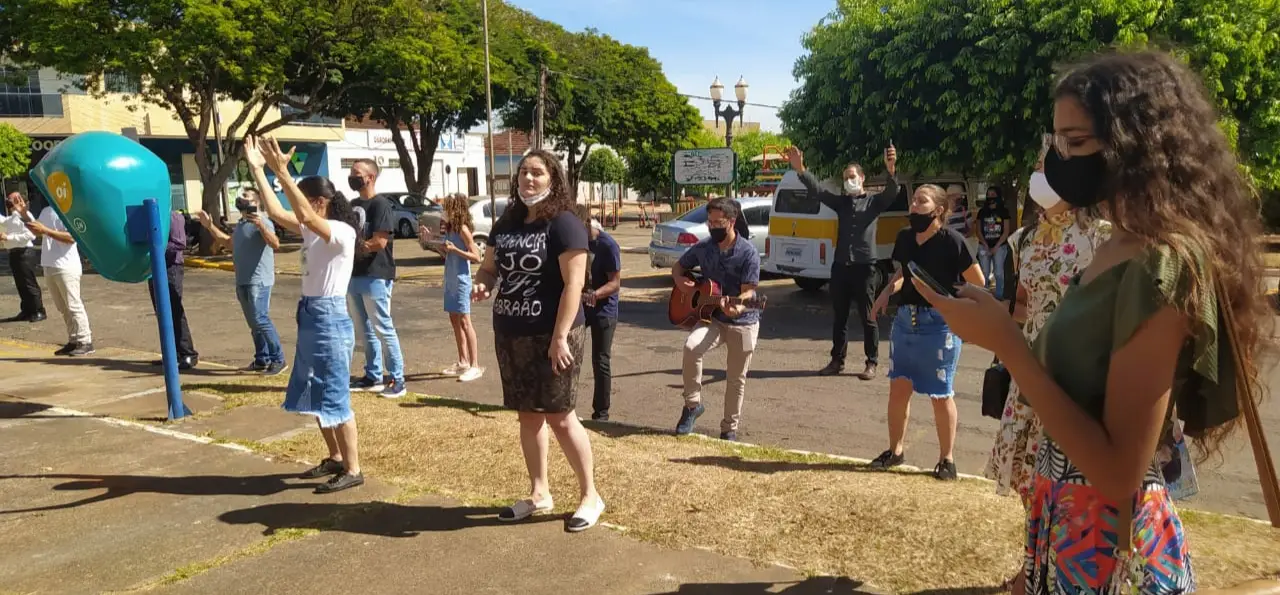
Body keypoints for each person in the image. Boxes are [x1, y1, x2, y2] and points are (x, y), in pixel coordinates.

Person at [915, 51, 1269, 593]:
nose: (1059, 159)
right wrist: (995, 322)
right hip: (1070, 527)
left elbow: (1119, 471)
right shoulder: (1115, 243)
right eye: (1057, 142)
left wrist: (1007, 344)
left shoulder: (1160, 264)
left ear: (1135, 144)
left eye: (1075, 142)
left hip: (1112, 547)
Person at [983, 142, 1112, 588]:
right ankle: (1032, 566)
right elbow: (1022, 305)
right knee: (1031, 479)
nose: (1038, 175)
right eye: (1037, 167)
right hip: (1031, 374)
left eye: (1044, 167)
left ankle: (1066, 569)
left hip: (1080, 376)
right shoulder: (1024, 240)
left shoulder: (1104, 237)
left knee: (1076, 481)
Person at [473, 149, 604, 532]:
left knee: (560, 417)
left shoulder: (565, 223)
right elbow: (489, 268)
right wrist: (483, 284)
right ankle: (539, 492)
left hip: (555, 334)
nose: (528, 179)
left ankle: (590, 496)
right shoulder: (508, 221)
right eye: (523, 173)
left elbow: (574, 285)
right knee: (528, 416)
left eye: (537, 173)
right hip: (511, 332)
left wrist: (560, 337)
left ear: (553, 179)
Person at [247, 135, 366, 494]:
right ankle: (335, 457)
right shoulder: (313, 231)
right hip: (311, 313)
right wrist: (259, 170)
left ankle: (353, 468)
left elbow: (303, 215)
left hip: (330, 318)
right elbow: (277, 213)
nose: (297, 204)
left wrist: (282, 172)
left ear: (319, 202)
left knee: (335, 393)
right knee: (314, 390)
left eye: (301, 197)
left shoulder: (341, 232)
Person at [869, 184, 984, 480]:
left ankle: (947, 460)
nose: (914, 206)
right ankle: (895, 451)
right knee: (898, 390)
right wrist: (887, 292)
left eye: (921, 201)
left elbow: (978, 283)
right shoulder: (905, 238)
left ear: (938, 210)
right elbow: (904, 273)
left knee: (940, 395)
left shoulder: (953, 242)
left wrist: (953, 306)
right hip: (905, 322)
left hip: (939, 325)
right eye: (913, 201)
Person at [782, 144, 899, 380]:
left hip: (865, 268)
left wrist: (891, 169)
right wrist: (801, 169)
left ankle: (871, 362)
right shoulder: (841, 203)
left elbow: (892, 192)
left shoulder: (874, 202)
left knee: (868, 317)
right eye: (846, 178)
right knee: (840, 318)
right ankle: (837, 361)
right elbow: (818, 192)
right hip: (841, 267)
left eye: (852, 177)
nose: (849, 181)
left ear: (862, 178)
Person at [672, 197, 761, 442]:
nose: (712, 227)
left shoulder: (748, 253)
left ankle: (729, 429)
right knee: (691, 347)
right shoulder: (704, 247)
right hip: (712, 317)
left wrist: (738, 306)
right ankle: (692, 405)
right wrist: (683, 284)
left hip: (743, 321)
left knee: (735, 378)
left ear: (731, 222)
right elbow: (677, 268)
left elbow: (749, 292)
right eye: (709, 222)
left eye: (717, 223)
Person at [194, 188, 287, 375]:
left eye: (246, 196)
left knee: (260, 319)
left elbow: (275, 243)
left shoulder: (263, 221)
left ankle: (278, 359)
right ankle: (262, 359)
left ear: (255, 203)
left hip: (259, 281)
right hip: (243, 280)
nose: (240, 198)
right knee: (254, 323)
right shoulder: (241, 224)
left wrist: (260, 226)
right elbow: (228, 243)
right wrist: (209, 226)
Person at [346, 158, 406, 399]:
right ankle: (372, 375)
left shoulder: (381, 204)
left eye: (356, 173)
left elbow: (380, 242)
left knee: (382, 326)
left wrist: (354, 247)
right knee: (364, 329)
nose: (352, 177)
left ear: (370, 177)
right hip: (354, 273)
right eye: (351, 173)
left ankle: (397, 378)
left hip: (376, 274)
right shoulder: (352, 205)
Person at [423, 192, 484, 382]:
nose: (443, 212)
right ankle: (463, 361)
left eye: (446, 208)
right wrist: (430, 240)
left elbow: (477, 256)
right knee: (454, 320)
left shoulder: (463, 229)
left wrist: (455, 250)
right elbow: (446, 252)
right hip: (450, 280)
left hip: (461, 280)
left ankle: (475, 365)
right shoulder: (450, 230)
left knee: (465, 322)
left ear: (455, 209)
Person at [574, 204, 621, 421]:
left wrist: (596, 294)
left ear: (586, 224)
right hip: (581, 305)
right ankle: (563, 406)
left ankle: (601, 413)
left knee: (600, 359)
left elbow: (615, 283)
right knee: (568, 352)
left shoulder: (607, 245)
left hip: (604, 310)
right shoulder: (574, 242)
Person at [26, 205, 93, 356]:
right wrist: (24, 213)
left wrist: (46, 230)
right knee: (62, 307)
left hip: (66, 266)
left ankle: (85, 341)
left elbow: (71, 238)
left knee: (73, 305)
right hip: (49, 264)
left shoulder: (68, 210)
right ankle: (73, 340)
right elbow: (36, 230)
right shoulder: (46, 210)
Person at [147, 210, 199, 369]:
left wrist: (156, 246)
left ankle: (187, 353)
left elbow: (179, 243)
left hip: (171, 267)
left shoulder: (173, 217)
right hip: (154, 267)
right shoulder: (150, 215)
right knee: (161, 311)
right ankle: (171, 353)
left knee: (174, 310)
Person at [2, 192, 45, 322]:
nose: (9, 201)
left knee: (29, 283)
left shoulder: (25, 215)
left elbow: (30, 235)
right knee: (21, 284)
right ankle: (27, 310)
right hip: (14, 253)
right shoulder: (10, 219)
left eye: (13, 199)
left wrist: (8, 237)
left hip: (25, 252)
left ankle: (38, 310)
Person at [975, 186, 1013, 295]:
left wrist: (996, 247)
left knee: (999, 273)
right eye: (988, 195)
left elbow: (1006, 231)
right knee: (984, 273)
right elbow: (978, 231)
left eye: (993, 195)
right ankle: (985, 295)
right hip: (984, 246)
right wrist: (986, 245)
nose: (990, 197)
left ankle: (999, 296)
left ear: (998, 196)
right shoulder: (982, 212)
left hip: (1000, 246)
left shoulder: (1004, 212)